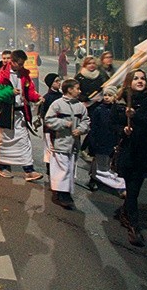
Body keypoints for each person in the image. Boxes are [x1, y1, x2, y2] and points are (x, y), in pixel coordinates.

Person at [111, 69, 147, 247]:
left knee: (135, 189)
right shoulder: (121, 102)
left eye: (142, 78)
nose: (140, 81)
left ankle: (126, 211)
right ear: (128, 82)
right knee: (132, 189)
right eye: (136, 78)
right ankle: (133, 225)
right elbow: (114, 124)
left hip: (144, 151)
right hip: (127, 151)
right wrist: (123, 130)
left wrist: (135, 115)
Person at [0, 49, 44, 181]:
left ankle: (29, 170)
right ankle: (3, 166)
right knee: (5, 142)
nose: (21, 67)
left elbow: (29, 91)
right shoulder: (1, 75)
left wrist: (36, 97)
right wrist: (10, 92)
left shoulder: (25, 74)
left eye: (22, 64)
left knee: (25, 142)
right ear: (13, 62)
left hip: (21, 114)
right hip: (6, 114)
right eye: (19, 64)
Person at [45, 79, 90, 209]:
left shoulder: (80, 106)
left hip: (74, 145)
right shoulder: (57, 104)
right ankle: (63, 194)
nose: (79, 91)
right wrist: (64, 124)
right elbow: (49, 120)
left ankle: (63, 191)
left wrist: (81, 129)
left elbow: (86, 121)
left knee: (69, 169)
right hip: (60, 143)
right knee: (62, 169)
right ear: (69, 90)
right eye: (77, 88)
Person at [87, 85, 126, 195]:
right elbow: (94, 126)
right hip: (100, 138)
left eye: (110, 95)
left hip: (111, 139)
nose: (107, 97)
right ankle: (94, 179)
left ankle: (99, 178)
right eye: (105, 95)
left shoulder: (118, 109)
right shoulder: (99, 109)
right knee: (99, 161)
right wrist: (92, 141)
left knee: (107, 161)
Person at [39, 73, 63, 176]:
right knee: (49, 148)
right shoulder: (47, 97)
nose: (59, 83)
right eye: (56, 81)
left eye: (59, 80)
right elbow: (43, 114)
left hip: (60, 127)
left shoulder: (62, 96)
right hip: (49, 128)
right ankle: (49, 168)